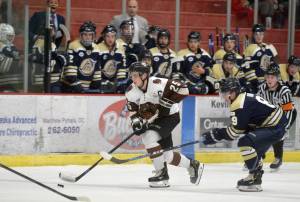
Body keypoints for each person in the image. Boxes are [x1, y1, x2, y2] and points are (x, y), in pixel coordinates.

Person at [126, 62, 204, 188]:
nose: (133, 79)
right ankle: (193, 165)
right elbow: (133, 111)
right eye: (131, 76)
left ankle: (161, 173)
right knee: (167, 155)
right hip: (155, 119)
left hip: (170, 116)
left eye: (135, 75)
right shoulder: (131, 92)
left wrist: (168, 102)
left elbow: (184, 89)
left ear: (144, 75)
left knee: (149, 137)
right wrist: (136, 123)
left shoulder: (158, 83)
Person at [201, 77, 287, 192]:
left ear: (232, 92)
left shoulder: (239, 104)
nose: (223, 97)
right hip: (273, 125)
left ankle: (255, 178)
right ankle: (254, 175)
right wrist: (217, 134)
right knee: (252, 144)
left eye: (224, 93)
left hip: (274, 127)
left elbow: (234, 133)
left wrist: (215, 135)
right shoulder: (243, 98)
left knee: (245, 142)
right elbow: (243, 127)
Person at [257, 63, 297, 170]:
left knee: (278, 133)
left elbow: (288, 110)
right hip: (271, 114)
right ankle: (259, 156)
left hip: (287, 114)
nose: (269, 79)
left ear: (278, 78)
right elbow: (257, 105)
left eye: (272, 77)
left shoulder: (285, 91)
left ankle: (278, 158)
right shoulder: (262, 88)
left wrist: (284, 127)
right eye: (268, 77)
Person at [61, 21, 101, 93]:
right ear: (81, 35)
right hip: (70, 88)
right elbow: (70, 75)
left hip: (86, 89)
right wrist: (80, 89)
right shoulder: (73, 46)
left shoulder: (96, 48)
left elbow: (97, 73)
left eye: (90, 35)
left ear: (93, 36)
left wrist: (94, 88)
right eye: (85, 35)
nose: (88, 37)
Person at [243, 24, 278, 93]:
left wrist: (273, 80)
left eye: (261, 34)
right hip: (255, 83)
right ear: (253, 35)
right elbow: (246, 67)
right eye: (256, 34)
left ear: (263, 35)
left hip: (268, 82)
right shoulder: (249, 49)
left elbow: (274, 65)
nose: (259, 36)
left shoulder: (270, 48)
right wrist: (254, 81)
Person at [97, 25, 127, 93]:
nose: (110, 39)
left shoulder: (121, 48)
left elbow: (122, 69)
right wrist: (104, 81)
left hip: (115, 81)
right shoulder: (98, 48)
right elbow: (96, 70)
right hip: (101, 81)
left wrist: (120, 83)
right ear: (104, 37)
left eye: (112, 36)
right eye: (108, 36)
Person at [0, 23, 22, 92]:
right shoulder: (2, 47)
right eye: (9, 36)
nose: (11, 38)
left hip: (10, 80)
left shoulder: (12, 46)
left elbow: (16, 58)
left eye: (12, 36)